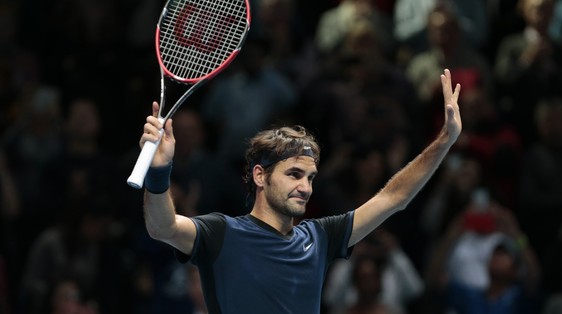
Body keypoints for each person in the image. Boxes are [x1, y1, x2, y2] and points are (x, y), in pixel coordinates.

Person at [136, 68, 461, 313]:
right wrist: (160, 169)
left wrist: (444, 141)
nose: (305, 187)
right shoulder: (221, 233)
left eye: (310, 177)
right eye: (294, 174)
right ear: (260, 176)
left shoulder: (320, 237)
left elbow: (394, 197)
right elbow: (162, 226)